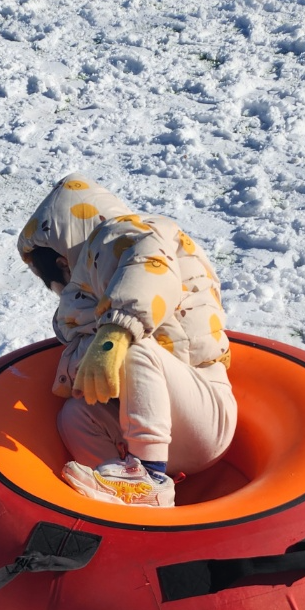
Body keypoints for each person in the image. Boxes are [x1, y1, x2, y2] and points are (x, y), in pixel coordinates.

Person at [17, 174, 237, 507]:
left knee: (131, 344)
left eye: (57, 283)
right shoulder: (95, 282)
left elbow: (150, 266)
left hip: (204, 413)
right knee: (75, 414)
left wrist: (115, 334)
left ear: (64, 261)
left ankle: (149, 474)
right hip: (162, 422)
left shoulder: (122, 236)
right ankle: (120, 490)